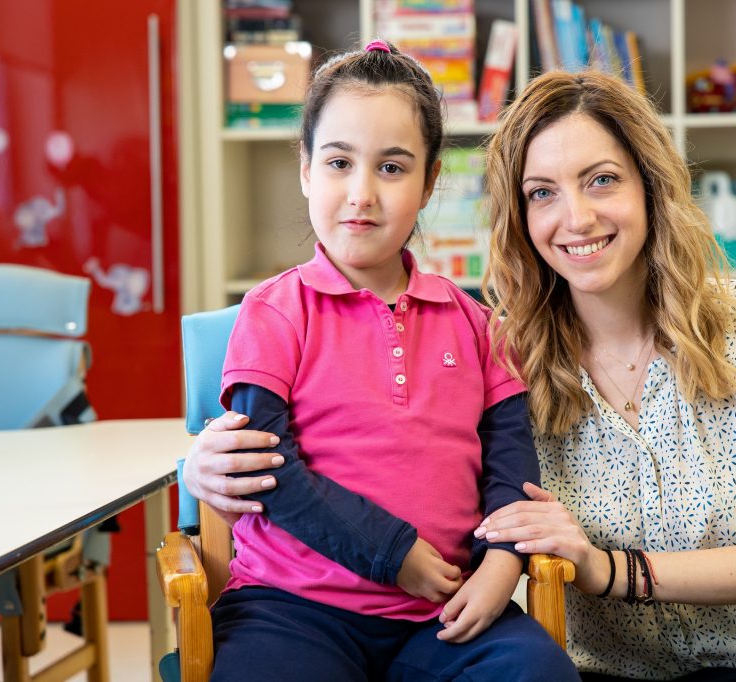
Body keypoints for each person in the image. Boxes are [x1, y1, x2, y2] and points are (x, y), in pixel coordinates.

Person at [185, 69, 736, 682]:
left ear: (650, 185)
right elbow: (317, 455)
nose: (576, 217)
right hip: (610, 670)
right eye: (542, 192)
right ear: (519, 216)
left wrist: (585, 568)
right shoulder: (509, 343)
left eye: (602, 179)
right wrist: (203, 466)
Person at [194, 39, 578, 682]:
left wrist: (500, 568)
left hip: (446, 614)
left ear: (429, 183)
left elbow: (511, 470)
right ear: (306, 170)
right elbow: (269, 472)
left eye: (392, 168)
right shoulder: (274, 312)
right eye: (339, 162)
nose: (361, 193)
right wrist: (392, 555)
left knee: (540, 673)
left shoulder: (480, 326)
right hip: (292, 608)